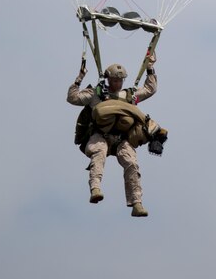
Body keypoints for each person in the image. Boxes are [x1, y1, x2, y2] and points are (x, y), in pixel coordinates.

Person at [66, 53, 158, 217]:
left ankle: (136, 203)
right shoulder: (96, 93)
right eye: (115, 80)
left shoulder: (129, 96)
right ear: (108, 79)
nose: (118, 83)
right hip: (100, 135)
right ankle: (95, 188)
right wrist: (79, 78)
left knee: (132, 163)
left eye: (120, 80)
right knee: (99, 152)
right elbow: (72, 98)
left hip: (122, 139)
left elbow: (150, 89)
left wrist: (150, 68)